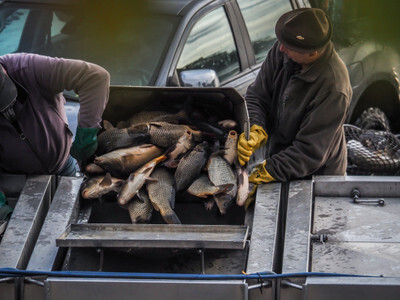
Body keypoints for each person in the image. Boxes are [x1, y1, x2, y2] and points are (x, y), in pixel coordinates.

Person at [237, 8, 352, 188]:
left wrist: (269, 171)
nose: (281, 48)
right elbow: (257, 96)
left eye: (288, 47)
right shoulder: (283, 49)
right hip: (280, 159)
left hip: (318, 178)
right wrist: (255, 126)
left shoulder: (335, 87)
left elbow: (309, 152)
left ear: (312, 53)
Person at [0, 53, 110, 219]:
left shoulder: (28, 68)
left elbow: (96, 77)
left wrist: (86, 136)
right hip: (14, 182)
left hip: (64, 166)